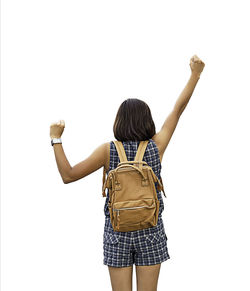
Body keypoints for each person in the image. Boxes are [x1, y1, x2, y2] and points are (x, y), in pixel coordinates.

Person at [50, 54, 205, 291]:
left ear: (119, 121)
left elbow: (68, 175)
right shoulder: (156, 146)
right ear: (147, 120)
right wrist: (195, 75)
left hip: (117, 232)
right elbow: (178, 110)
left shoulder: (107, 151)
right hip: (151, 230)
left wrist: (56, 138)